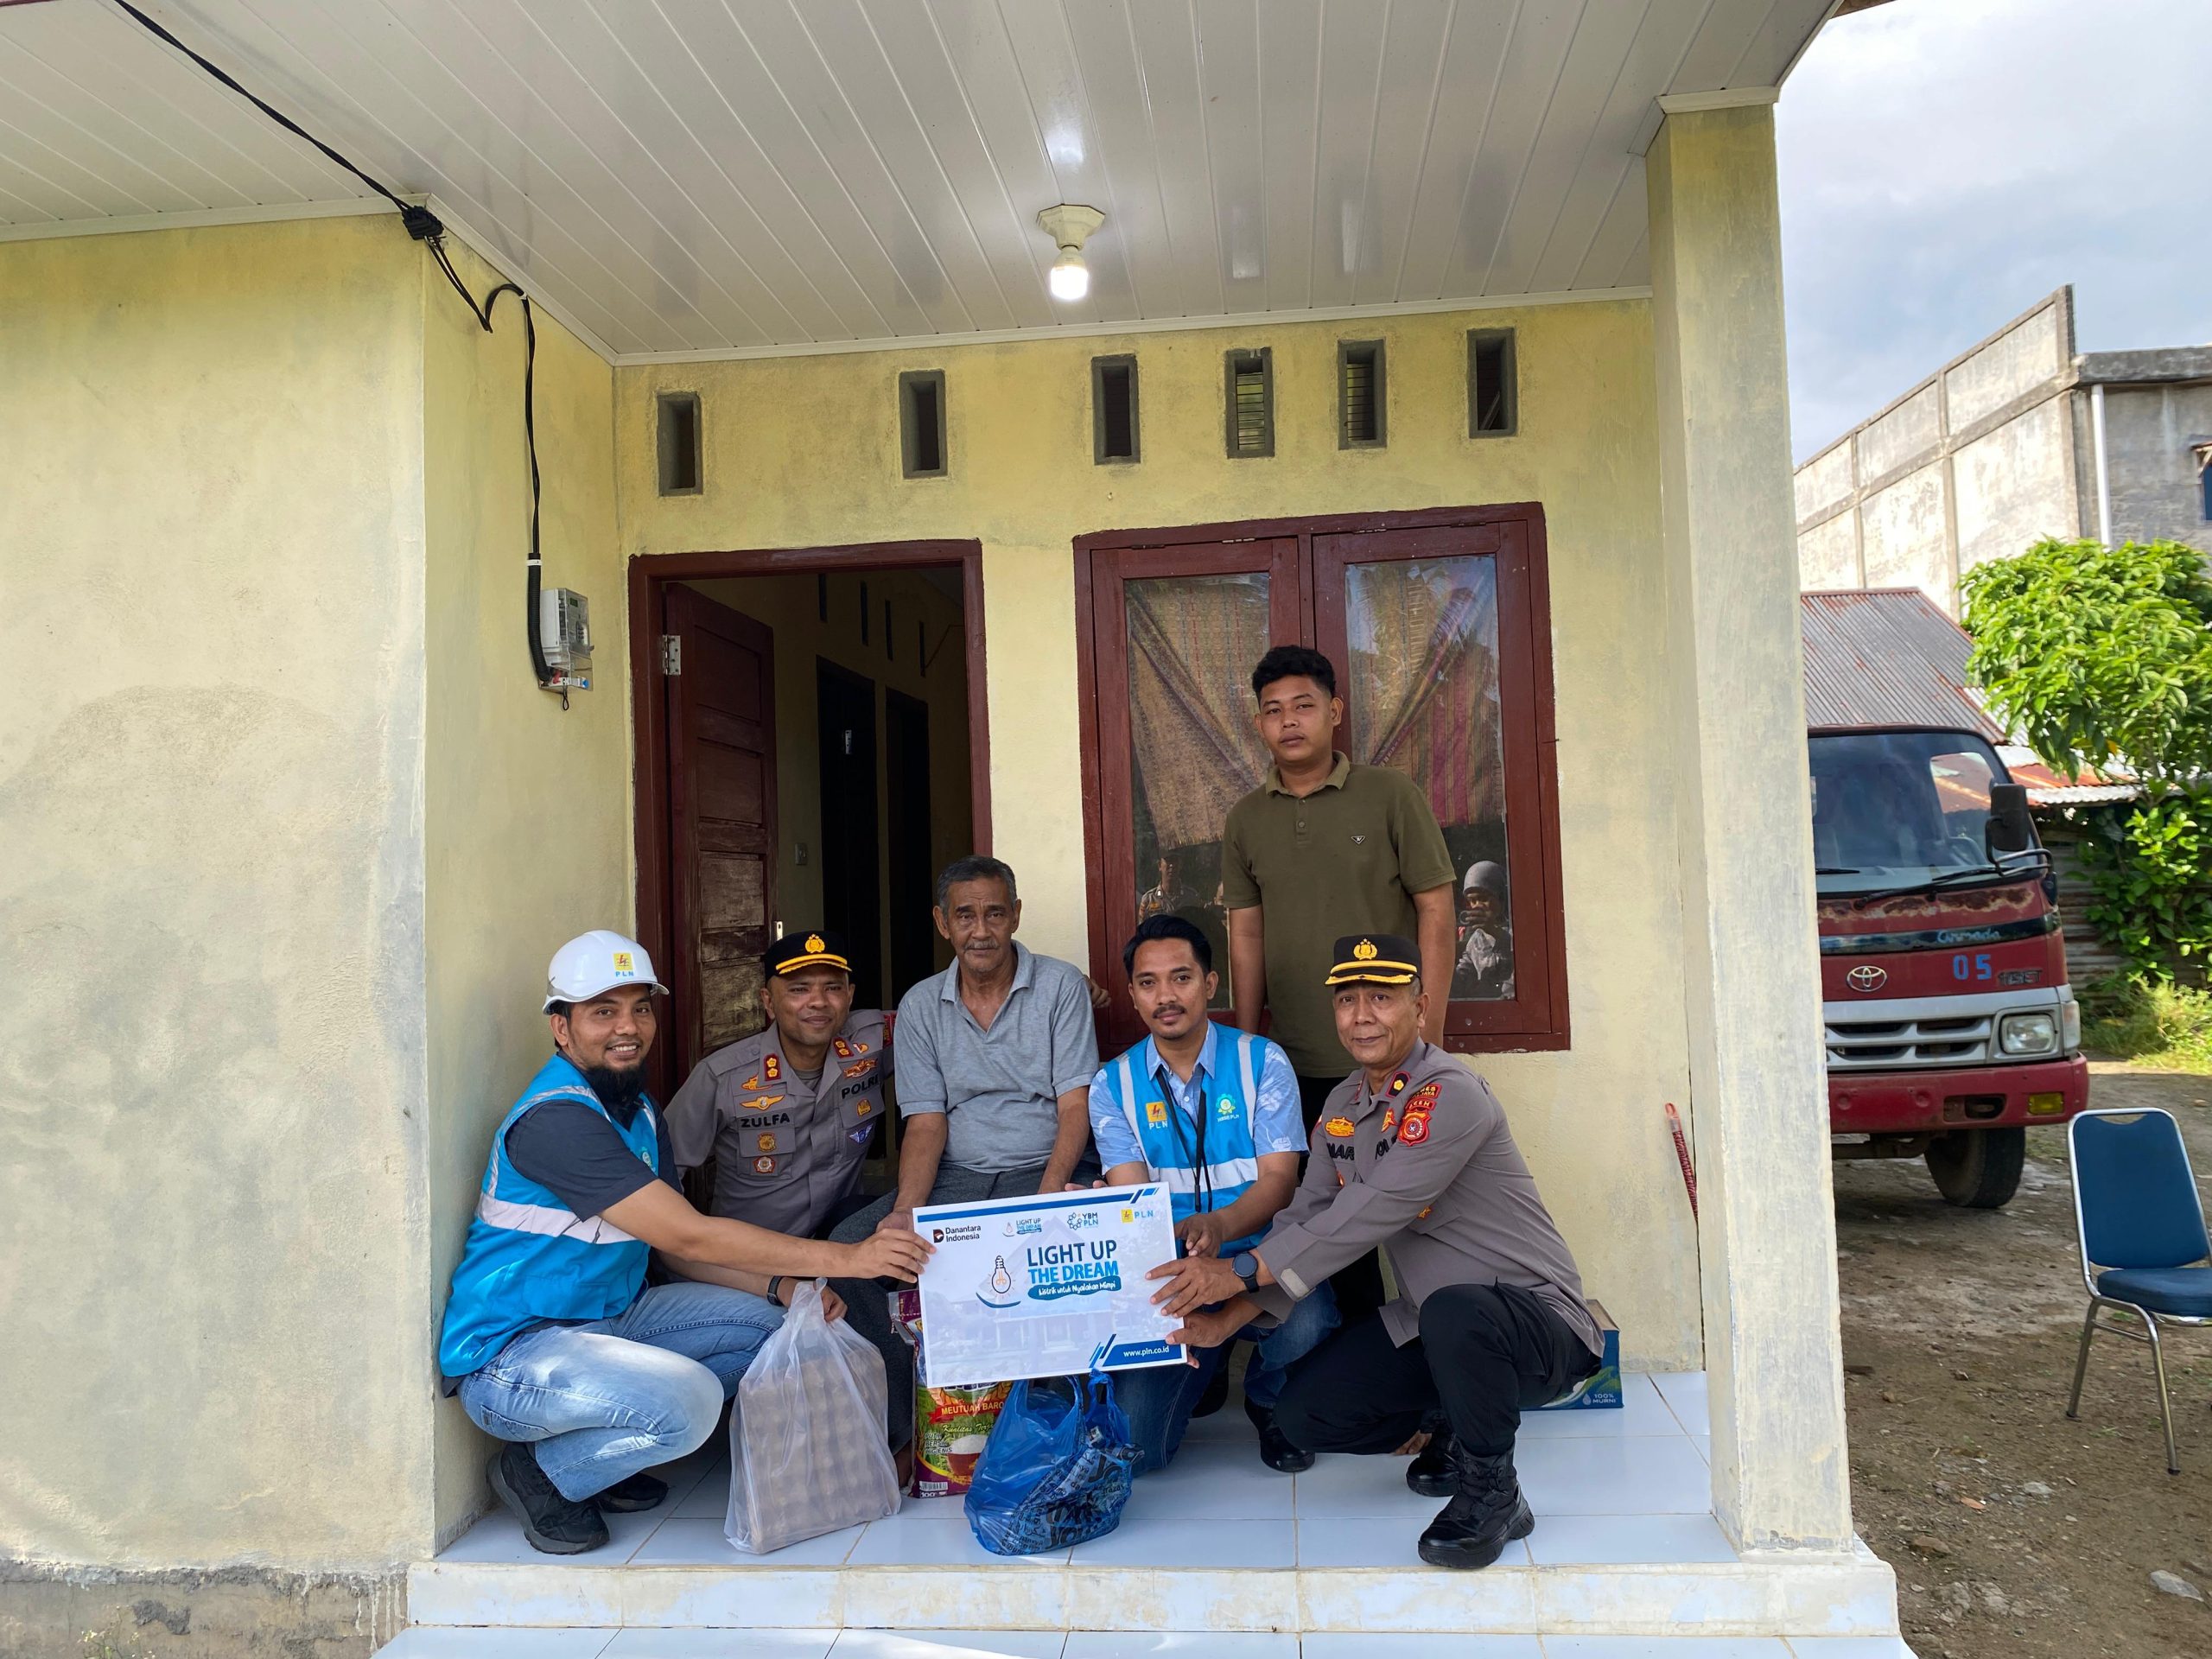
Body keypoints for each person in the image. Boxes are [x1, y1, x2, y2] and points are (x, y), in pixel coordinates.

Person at [437, 931, 931, 1555]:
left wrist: (783, 1287)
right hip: (513, 1356)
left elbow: (674, 1254)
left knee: (782, 1326)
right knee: (689, 1407)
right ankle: (542, 1472)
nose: (628, 1027)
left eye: (640, 1008)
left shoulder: (638, 1111)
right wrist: (849, 1259)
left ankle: (605, 1453)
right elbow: (687, 1232)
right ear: (561, 1028)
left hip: (612, 1320)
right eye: (603, 1012)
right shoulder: (556, 1119)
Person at [1148, 933, 1599, 1570]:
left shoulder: (1450, 1093)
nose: (1361, 1016)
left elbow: (1372, 1209)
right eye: (1347, 1000)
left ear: (1420, 1006)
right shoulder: (1343, 1105)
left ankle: (1494, 1493)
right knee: (1305, 1414)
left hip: (1536, 1325)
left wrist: (1239, 1270)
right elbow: (1307, 1217)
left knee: (1456, 1310)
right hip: (1435, 1327)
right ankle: (1452, 1421)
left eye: (1381, 998)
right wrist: (1229, 1320)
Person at [828, 856, 1103, 1415]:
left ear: (1016, 915)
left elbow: (1076, 1105)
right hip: (958, 1176)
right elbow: (927, 1121)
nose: (981, 931)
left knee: (1042, 1260)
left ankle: (1044, 1417)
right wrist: (906, 1211)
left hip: (1043, 1167)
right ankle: (916, 1413)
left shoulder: (1060, 986)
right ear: (942, 922)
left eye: (995, 914)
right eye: (966, 916)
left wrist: (1048, 1198)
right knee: (852, 1254)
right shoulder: (921, 1005)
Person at [1086, 915, 1337, 1474]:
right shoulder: (1111, 1085)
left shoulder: (1262, 1061)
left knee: (1311, 1316)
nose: (1165, 996)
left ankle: (1269, 1399)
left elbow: (1280, 1183)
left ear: (1210, 984)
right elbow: (1133, 1205)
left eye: (1181, 977)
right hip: (1174, 1272)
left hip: (1263, 1261)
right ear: (1132, 994)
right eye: (1148, 982)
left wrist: (1220, 1226)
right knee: (1140, 1453)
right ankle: (1207, 1361)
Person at [664, 928, 912, 1449]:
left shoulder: (874, 1039)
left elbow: (954, 1013)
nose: (818, 1002)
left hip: (833, 1246)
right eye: (798, 989)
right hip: (748, 1268)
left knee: (881, 1256)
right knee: (775, 1347)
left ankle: (890, 1440)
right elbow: (661, 1197)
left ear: (850, 994)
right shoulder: (723, 1077)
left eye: (833, 987)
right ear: (767, 1000)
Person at [1222, 645, 1458, 1132]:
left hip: (1392, 1052)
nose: (1289, 721)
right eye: (1274, 711)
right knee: (1304, 1180)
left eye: (1303, 705)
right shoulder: (1246, 818)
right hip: (1290, 1062)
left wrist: (1427, 1038)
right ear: (1259, 724)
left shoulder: (1391, 795)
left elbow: (1436, 911)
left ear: (1334, 712)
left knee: (1395, 1179)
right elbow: (1246, 934)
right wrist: (1246, 1045)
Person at [1452, 861, 1516, 1000]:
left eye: (1483, 899)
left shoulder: (1517, 932)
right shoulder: (1477, 940)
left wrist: (1494, 931)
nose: (1477, 906)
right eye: (1472, 901)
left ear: (1501, 898)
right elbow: (1462, 983)